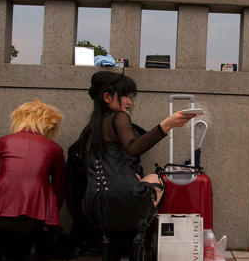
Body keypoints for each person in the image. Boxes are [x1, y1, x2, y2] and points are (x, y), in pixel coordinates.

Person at [78, 71, 195, 242]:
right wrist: (167, 124)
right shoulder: (119, 117)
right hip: (124, 202)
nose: (129, 102)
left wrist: (129, 176)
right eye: (125, 96)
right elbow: (133, 149)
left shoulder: (90, 129)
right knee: (156, 179)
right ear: (107, 97)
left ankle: (115, 244)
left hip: (92, 208)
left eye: (130, 96)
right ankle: (139, 237)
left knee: (138, 181)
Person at [0, 99, 65, 261]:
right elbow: (59, 188)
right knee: (44, 189)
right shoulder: (54, 148)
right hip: (35, 216)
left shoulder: (2, 142)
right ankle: (34, 250)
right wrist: (51, 215)